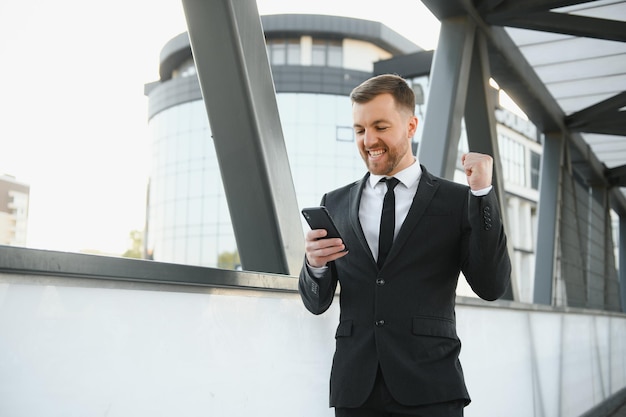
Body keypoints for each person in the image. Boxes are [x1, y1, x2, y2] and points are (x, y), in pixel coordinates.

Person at [298, 74, 511, 417]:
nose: (369, 140)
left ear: (411, 126)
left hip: (430, 385)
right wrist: (315, 266)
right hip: (356, 390)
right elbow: (315, 302)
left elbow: (491, 285)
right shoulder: (334, 203)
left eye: (380, 126)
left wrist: (483, 194)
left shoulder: (457, 201)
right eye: (359, 129)